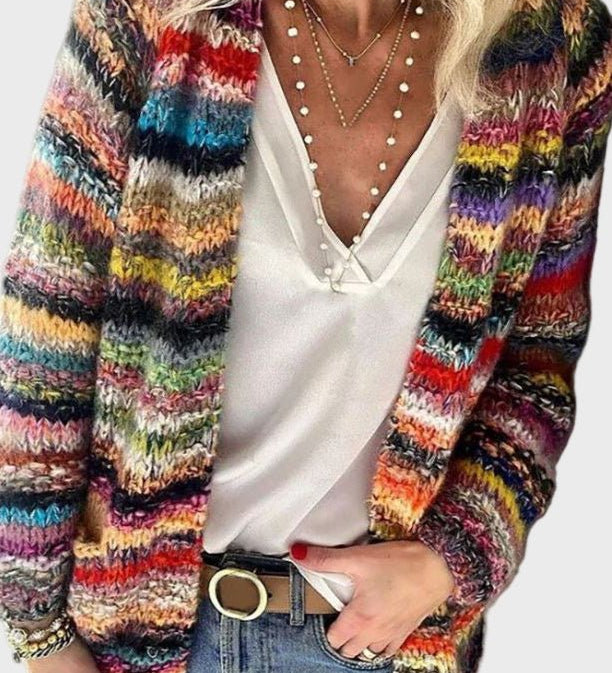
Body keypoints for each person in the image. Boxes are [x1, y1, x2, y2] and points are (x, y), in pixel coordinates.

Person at [0, 0, 610, 671]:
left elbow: (538, 363)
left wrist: (453, 556)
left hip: (383, 640)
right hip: (148, 635)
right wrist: (40, 631)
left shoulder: (549, 42)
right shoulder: (147, 19)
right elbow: (44, 342)